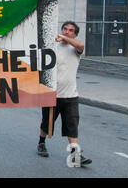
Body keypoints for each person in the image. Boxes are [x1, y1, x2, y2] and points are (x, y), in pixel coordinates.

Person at [37, 21, 92, 166]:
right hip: (52, 94)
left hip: (71, 95)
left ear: (75, 34)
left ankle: (75, 155)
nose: (67, 32)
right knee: (47, 123)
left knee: (72, 125)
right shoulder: (53, 47)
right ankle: (41, 143)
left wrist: (63, 37)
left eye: (71, 30)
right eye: (65, 29)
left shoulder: (75, 50)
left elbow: (80, 46)